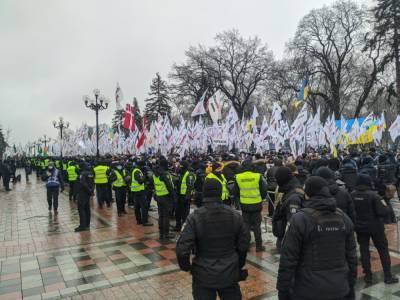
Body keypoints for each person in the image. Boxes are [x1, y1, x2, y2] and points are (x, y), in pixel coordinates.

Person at [277, 176, 357, 300]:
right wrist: (350, 285)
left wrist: (283, 290)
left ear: (308, 194)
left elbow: (288, 259)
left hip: (307, 290)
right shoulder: (343, 218)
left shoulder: (300, 219)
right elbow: (352, 256)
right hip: (339, 288)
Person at [176, 177, 250, 300]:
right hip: (229, 272)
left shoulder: (194, 217)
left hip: (203, 273)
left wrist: (187, 267)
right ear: (220, 192)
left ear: (204, 193)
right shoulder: (235, 215)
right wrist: (238, 263)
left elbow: (182, 248)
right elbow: (244, 242)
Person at [351, 174, 399, 284]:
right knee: (383, 250)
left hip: (360, 228)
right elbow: (382, 212)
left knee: (364, 250)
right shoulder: (374, 195)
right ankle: (388, 276)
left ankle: (368, 276)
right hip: (376, 228)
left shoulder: (352, 194)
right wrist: (386, 201)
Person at [234, 159, 268, 252]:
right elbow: (264, 190)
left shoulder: (238, 177)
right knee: (257, 226)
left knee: (246, 226)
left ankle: (246, 246)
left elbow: (235, 192)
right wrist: (261, 198)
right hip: (256, 204)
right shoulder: (257, 176)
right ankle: (259, 246)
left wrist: (241, 198)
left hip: (244, 204)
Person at [272, 166, 303, 250]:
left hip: (287, 239)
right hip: (282, 232)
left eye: (277, 179)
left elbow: (293, 225)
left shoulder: (294, 197)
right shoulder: (288, 189)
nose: (276, 182)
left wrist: (286, 245)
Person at [153, 159, 176, 240]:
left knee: (161, 215)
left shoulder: (155, 173)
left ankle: (161, 233)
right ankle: (166, 234)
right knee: (166, 216)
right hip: (166, 197)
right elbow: (169, 186)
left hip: (159, 196)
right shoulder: (164, 174)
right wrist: (174, 197)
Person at [175, 161, 196, 231]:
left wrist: (187, 197)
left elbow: (190, 187)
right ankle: (178, 226)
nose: (180, 168)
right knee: (177, 212)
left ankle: (185, 227)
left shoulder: (189, 174)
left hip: (185, 197)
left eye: (182, 167)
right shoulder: (180, 173)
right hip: (179, 195)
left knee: (185, 213)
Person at [131, 161, 153, 226]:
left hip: (136, 191)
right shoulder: (137, 171)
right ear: (141, 166)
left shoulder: (136, 170)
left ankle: (139, 220)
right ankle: (145, 221)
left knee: (137, 207)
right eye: (143, 166)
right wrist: (145, 176)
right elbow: (140, 181)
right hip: (139, 191)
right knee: (144, 206)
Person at [75, 163, 94, 232]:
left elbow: (83, 183)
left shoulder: (82, 174)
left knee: (81, 208)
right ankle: (87, 224)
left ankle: (82, 225)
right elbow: (93, 183)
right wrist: (91, 191)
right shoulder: (91, 173)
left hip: (83, 193)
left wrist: (88, 190)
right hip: (88, 193)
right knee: (87, 209)